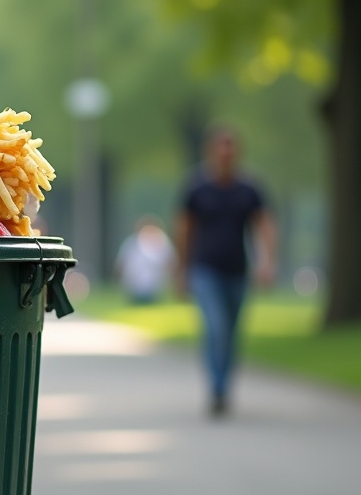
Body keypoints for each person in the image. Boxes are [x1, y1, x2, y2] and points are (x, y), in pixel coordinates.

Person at [174, 126, 277, 416]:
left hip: (237, 271)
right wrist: (181, 269)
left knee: (231, 334)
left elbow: (264, 225)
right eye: (221, 146)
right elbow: (184, 229)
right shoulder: (197, 187)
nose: (225, 151)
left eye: (230, 146)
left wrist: (267, 261)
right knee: (216, 328)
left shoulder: (249, 189)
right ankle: (217, 389)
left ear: (237, 151)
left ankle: (224, 385)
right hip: (204, 270)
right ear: (211, 151)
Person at [114, 216, 175, 303]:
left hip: (155, 289)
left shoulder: (163, 243)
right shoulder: (131, 243)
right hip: (133, 288)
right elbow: (121, 264)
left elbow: (170, 264)